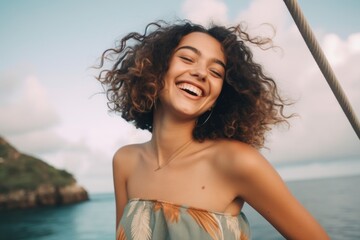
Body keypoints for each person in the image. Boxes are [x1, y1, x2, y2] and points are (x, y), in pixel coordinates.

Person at [97, 20, 329, 240]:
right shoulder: (125, 161)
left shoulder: (237, 161)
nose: (201, 73)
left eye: (216, 72)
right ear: (156, 68)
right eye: (187, 58)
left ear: (221, 95)